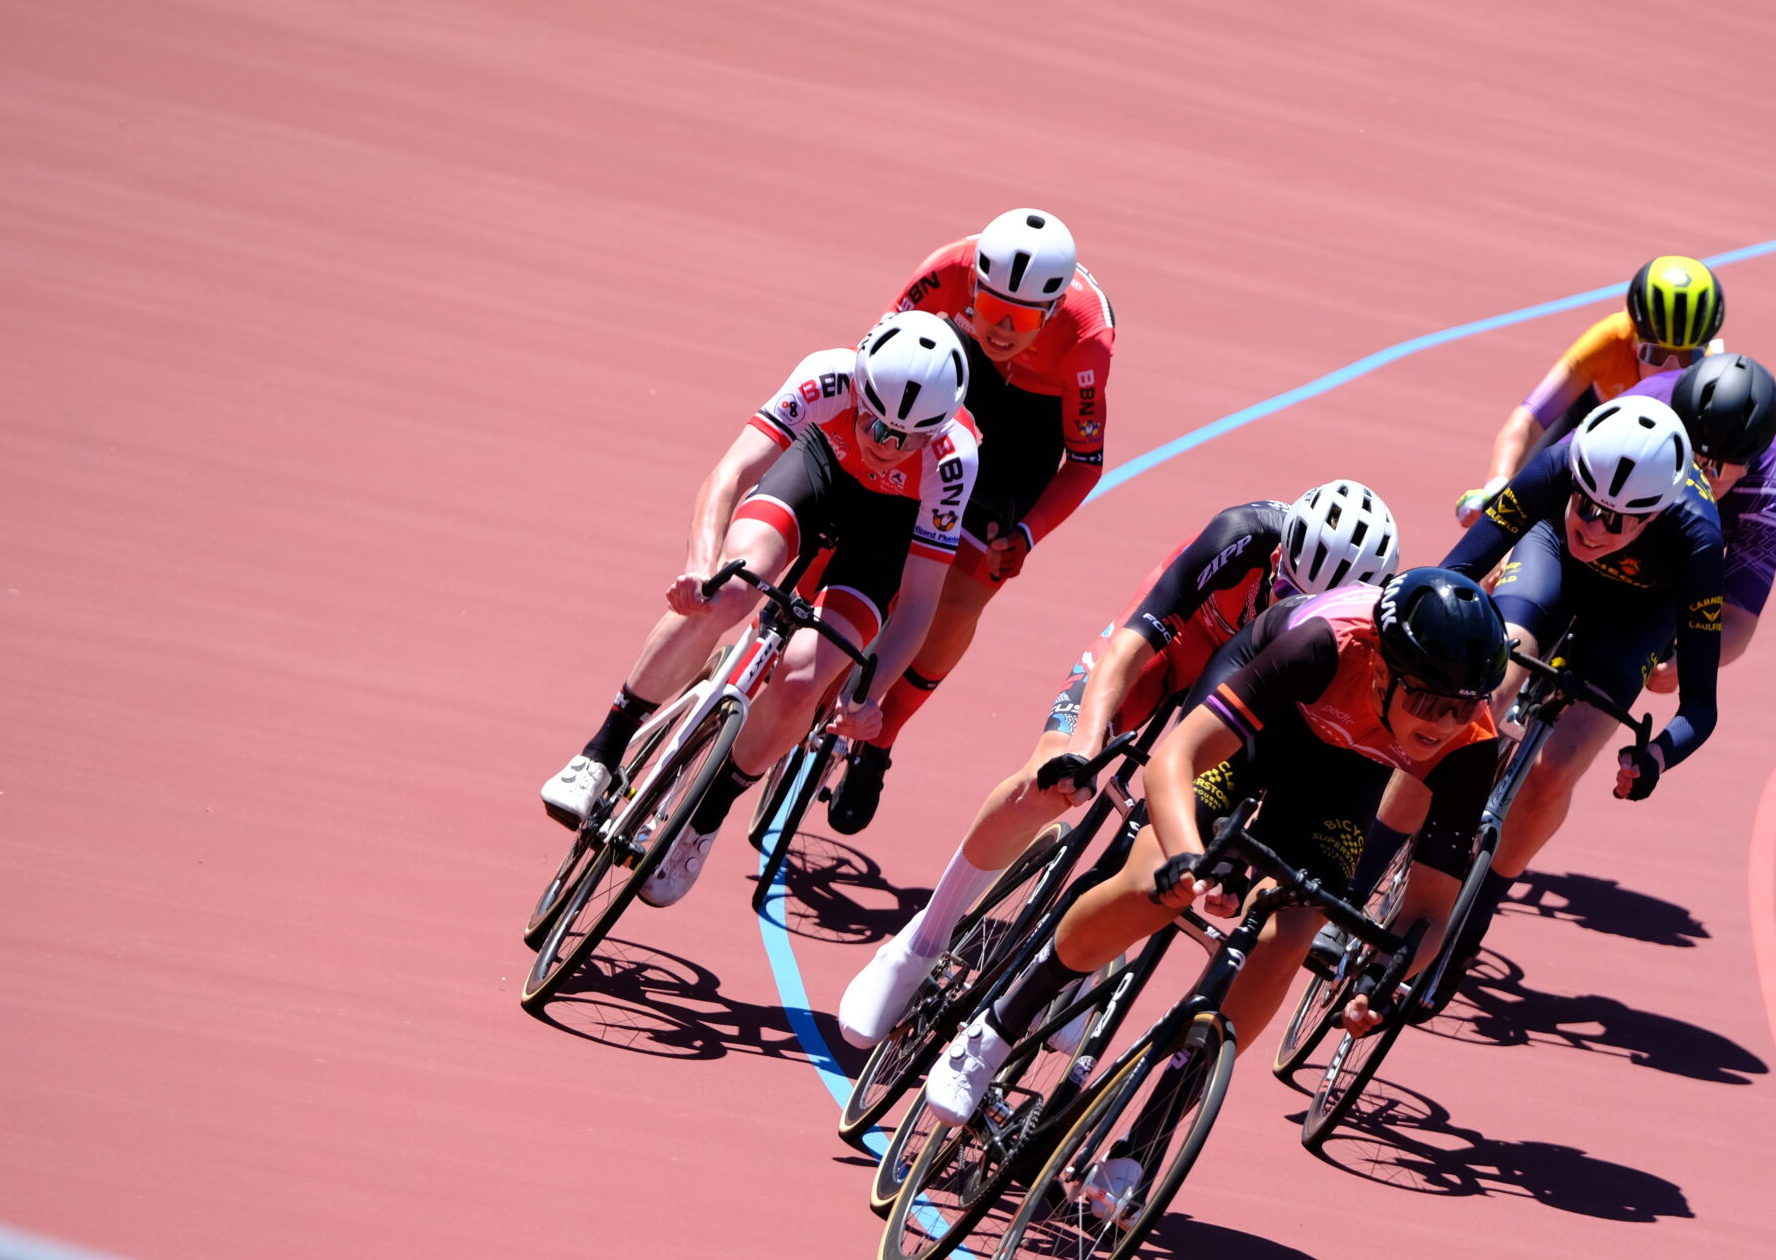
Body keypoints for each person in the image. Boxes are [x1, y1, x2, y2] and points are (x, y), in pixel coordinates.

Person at [919, 568, 1512, 1135]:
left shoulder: (1470, 745)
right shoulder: (1321, 647)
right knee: (1155, 883)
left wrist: (1379, 982)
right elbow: (1173, 762)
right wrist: (1184, 856)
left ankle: (1146, 1141)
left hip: (1347, 774)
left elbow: (1430, 909)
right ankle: (997, 1026)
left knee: (1288, 935)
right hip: (1261, 721)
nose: (1446, 724)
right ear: (1381, 669)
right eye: (1430, 703)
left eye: (1463, 707)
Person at [833, 480, 1402, 1049]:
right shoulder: (1243, 535)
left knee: (1173, 843)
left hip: (1259, 699)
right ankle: (920, 943)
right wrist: (1084, 745)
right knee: (1047, 778)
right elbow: (1132, 643)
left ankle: (1086, 954)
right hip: (1179, 644)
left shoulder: (1358, 638)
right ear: (1278, 557)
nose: (1290, 611)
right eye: (1284, 593)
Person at [536, 312, 979, 905]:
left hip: (885, 534)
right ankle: (603, 750)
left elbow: (920, 600)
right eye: (874, 422)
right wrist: (700, 566)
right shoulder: (829, 376)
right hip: (818, 472)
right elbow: (729, 475)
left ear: (939, 428)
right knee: (728, 593)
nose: (884, 444)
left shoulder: (953, 461)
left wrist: (868, 696)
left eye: (906, 438)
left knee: (803, 678)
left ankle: (704, 819)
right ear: (860, 387)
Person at [1376, 392, 1724, 972]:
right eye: (1584, 502)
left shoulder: (1699, 542)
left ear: (1653, 515)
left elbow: (1701, 708)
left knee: (1557, 768)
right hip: (1549, 560)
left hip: (1638, 618)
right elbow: (1455, 572)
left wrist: (1656, 758)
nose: (1592, 524)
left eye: (1615, 519)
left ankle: (1475, 916)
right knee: (1483, 692)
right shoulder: (1560, 463)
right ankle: (1360, 871)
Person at [828, 208, 1117, 833]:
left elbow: (1084, 462)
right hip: (956, 374)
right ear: (974, 285)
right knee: (870, 497)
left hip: (1029, 428)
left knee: (960, 599)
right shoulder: (947, 271)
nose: (1004, 328)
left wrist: (1025, 535)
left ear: (1054, 309)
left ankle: (881, 739)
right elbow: (872, 367)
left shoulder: (1087, 340)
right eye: (992, 307)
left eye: (1024, 318)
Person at [1456, 255, 1726, 528]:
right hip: (1589, 417)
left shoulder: (1712, 375)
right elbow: (1530, 420)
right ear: (1633, 338)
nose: (1670, 370)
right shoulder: (1610, 339)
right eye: (1655, 353)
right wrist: (1497, 484)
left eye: (1689, 357)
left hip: (1658, 446)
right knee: (1525, 492)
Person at [1634, 352, 1776, 678]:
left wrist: (1689, 660)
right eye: (1690, 458)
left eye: (1716, 468)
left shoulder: (1769, 488)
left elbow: (1739, 618)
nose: (1698, 477)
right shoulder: (1645, 408)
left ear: (1746, 468)